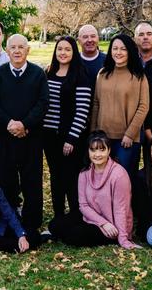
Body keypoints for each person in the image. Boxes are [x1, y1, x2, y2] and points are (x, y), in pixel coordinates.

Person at [0, 34, 49, 232]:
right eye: (13, 47)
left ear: (27, 50)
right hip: (4, 139)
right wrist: (10, 123)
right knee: (6, 181)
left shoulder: (38, 74)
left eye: (21, 47)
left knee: (32, 181)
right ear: (7, 50)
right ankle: (10, 221)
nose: (17, 51)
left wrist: (25, 124)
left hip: (31, 138)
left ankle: (32, 224)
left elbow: (43, 103)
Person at [48, 131, 137, 249]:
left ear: (109, 150)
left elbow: (121, 209)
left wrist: (123, 238)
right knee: (54, 225)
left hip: (113, 226)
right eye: (93, 150)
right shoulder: (85, 172)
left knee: (74, 236)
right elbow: (83, 205)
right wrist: (102, 223)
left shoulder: (119, 175)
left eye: (102, 149)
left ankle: (106, 237)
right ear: (88, 152)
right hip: (94, 218)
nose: (97, 154)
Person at [43, 36, 92, 217]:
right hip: (49, 136)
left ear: (74, 52)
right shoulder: (48, 73)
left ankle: (74, 215)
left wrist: (71, 138)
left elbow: (82, 111)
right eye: (59, 49)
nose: (62, 53)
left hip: (70, 137)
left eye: (67, 49)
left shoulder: (81, 75)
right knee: (55, 176)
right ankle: (58, 216)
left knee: (70, 177)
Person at [90, 33, 148, 178]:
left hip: (127, 139)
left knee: (123, 179)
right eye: (115, 48)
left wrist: (130, 134)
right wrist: (93, 133)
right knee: (104, 178)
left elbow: (143, 106)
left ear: (130, 51)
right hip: (103, 138)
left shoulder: (138, 75)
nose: (118, 52)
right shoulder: (103, 74)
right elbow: (96, 103)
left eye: (123, 49)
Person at [77, 24, 106, 89]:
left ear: (98, 39)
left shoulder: (108, 61)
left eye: (93, 36)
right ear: (79, 41)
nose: (90, 40)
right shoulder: (73, 60)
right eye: (85, 37)